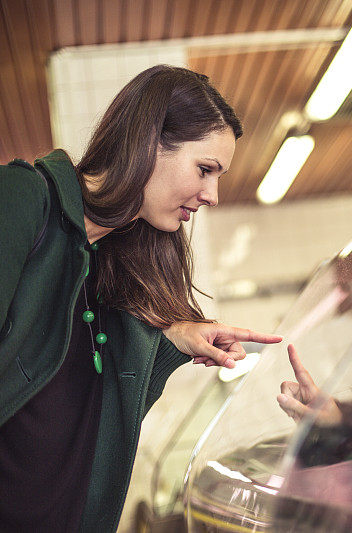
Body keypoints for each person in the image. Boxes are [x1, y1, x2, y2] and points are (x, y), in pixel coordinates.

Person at [0, 65, 281, 531]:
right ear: (149, 142)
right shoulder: (21, 198)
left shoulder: (116, 267)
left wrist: (177, 335)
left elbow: (102, 424)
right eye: (205, 169)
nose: (212, 195)